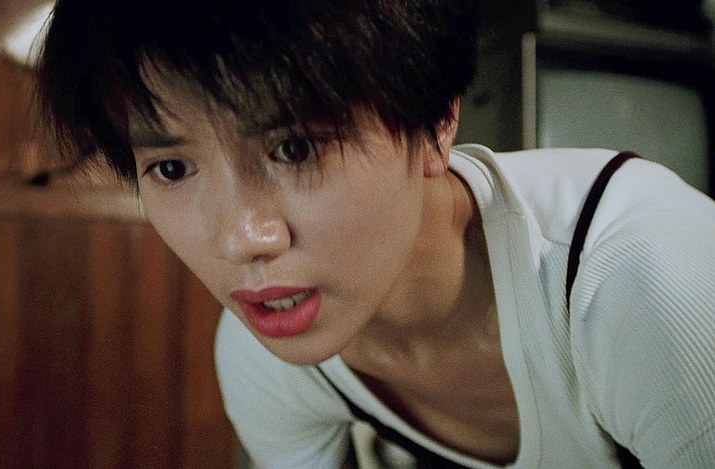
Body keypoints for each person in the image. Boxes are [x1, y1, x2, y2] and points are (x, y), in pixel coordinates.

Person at [35, 1, 715, 467]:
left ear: (436, 122)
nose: (242, 239)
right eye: (172, 167)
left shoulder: (644, 279)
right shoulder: (266, 355)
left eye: (295, 148)